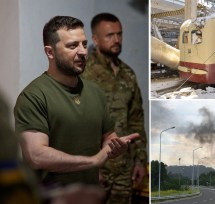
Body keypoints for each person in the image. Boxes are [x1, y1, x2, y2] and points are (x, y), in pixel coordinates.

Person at [14, 16, 139, 188]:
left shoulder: (95, 93)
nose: (83, 52)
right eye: (72, 46)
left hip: (89, 195)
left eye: (84, 44)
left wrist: (114, 146)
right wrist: (93, 161)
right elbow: (36, 156)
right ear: (50, 52)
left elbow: (108, 136)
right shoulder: (33, 96)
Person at [82, 13, 147, 204]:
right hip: (96, 169)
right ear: (95, 39)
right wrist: (90, 168)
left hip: (124, 170)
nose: (116, 40)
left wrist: (140, 160)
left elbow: (136, 118)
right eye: (109, 35)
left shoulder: (128, 74)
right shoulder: (84, 73)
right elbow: (75, 124)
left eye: (119, 34)